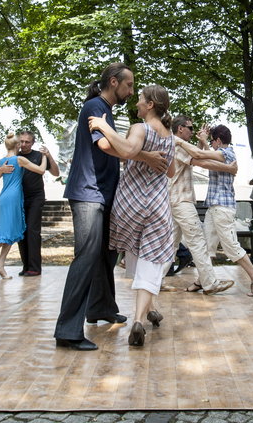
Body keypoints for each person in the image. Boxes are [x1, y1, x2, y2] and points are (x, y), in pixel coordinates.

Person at [53, 63, 167, 351]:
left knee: (107, 252)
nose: (131, 92)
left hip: (104, 192)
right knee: (87, 255)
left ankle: (101, 308)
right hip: (88, 192)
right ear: (114, 82)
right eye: (129, 86)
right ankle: (67, 330)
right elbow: (105, 145)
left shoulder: (107, 110)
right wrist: (145, 157)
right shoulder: (95, 106)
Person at [88, 84, 175, 346]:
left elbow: (125, 151)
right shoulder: (169, 134)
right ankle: (139, 317)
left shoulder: (140, 128)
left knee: (137, 255)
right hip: (158, 206)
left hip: (130, 204)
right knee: (153, 258)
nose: (136, 102)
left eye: (140, 99)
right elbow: (170, 172)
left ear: (150, 105)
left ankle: (149, 310)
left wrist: (104, 127)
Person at [178, 125, 253, 297]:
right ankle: (203, 279)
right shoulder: (219, 153)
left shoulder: (227, 154)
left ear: (218, 140)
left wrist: (190, 148)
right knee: (206, 246)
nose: (211, 144)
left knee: (231, 247)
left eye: (212, 140)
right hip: (214, 207)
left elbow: (202, 157)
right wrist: (203, 140)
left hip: (223, 208)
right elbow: (206, 158)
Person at [168, 115, 236, 295]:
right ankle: (210, 283)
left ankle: (153, 280)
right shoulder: (177, 143)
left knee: (171, 244)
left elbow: (193, 156)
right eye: (190, 127)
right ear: (180, 128)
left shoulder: (178, 144)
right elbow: (199, 160)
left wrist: (201, 142)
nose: (192, 130)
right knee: (197, 241)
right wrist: (230, 168)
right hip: (181, 201)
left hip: (176, 199)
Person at [0, 132, 47, 280]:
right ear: (17, 146)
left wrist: (0, 170)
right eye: (20, 143)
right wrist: (45, 157)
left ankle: (0, 266)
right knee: (3, 235)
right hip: (14, 199)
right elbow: (41, 170)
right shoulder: (20, 159)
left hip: (3, 197)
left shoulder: (2, 161)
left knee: (12, 233)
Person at [16, 131, 59, 276]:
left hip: (36, 197)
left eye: (27, 142)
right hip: (19, 198)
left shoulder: (39, 155)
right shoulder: (15, 156)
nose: (23, 144)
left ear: (32, 143)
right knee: (21, 232)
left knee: (33, 231)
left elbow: (55, 173)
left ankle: (34, 268)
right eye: (21, 141)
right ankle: (26, 266)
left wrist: (49, 155)